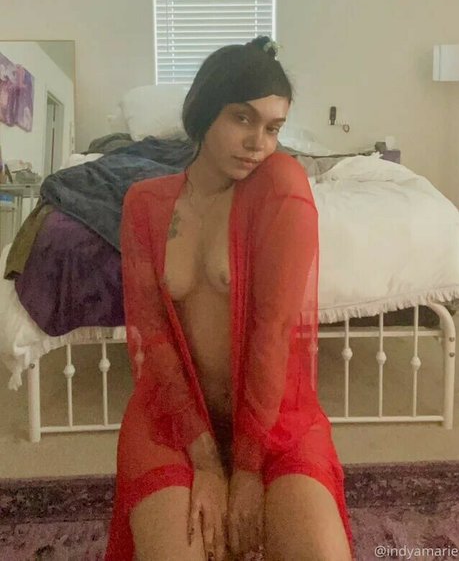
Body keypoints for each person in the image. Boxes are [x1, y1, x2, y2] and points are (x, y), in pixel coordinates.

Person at [104, 36, 354, 561]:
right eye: (242, 118)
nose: (258, 143)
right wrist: (204, 461)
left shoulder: (280, 187)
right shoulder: (143, 203)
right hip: (173, 419)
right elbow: (152, 334)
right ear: (204, 111)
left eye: (274, 128)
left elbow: (272, 333)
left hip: (271, 420)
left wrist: (245, 470)